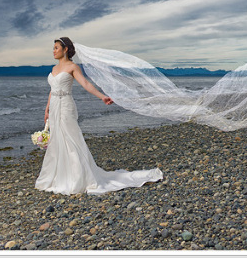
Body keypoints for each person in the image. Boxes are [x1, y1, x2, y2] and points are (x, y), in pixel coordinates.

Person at [34, 36, 163, 195]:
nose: (53, 51)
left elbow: (86, 84)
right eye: (53, 48)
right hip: (54, 106)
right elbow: (52, 90)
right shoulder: (53, 69)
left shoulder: (73, 67)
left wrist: (102, 96)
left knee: (71, 138)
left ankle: (77, 177)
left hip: (66, 106)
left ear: (65, 49)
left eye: (56, 48)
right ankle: (57, 176)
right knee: (56, 139)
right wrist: (47, 109)